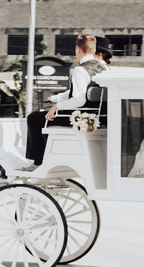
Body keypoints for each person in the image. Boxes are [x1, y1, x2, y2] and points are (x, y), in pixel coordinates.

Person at [22, 34, 109, 169]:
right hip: (100, 117)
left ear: (77, 49)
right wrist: (55, 98)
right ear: (93, 50)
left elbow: (79, 100)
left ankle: (38, 162)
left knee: (34, 118)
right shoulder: (104, 68)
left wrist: (56, 106)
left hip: (81, 117)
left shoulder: (80, 70)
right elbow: (82, 92)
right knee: (44, 117)